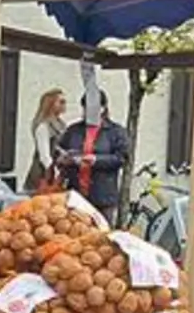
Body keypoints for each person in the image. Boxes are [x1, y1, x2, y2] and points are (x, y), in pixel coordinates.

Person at [55, 89, 131, 224]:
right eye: (85, 108)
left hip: (103, 196)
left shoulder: (115, 132)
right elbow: (59, 151)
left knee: (102, 232)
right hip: (76, 194)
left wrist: (96, 160)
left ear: (102, 108)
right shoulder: (73, 130)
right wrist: (63, 160)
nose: (88, 112)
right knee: (76, 231)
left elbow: (121, 158)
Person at [24, 87, 67, 193]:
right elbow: (44, 156)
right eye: (61, 102)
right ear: (51, 104)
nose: (64, 105)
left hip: (56, 174)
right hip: (42, 176)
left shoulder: (61, 124)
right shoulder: (43, 126)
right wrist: (54, 173)